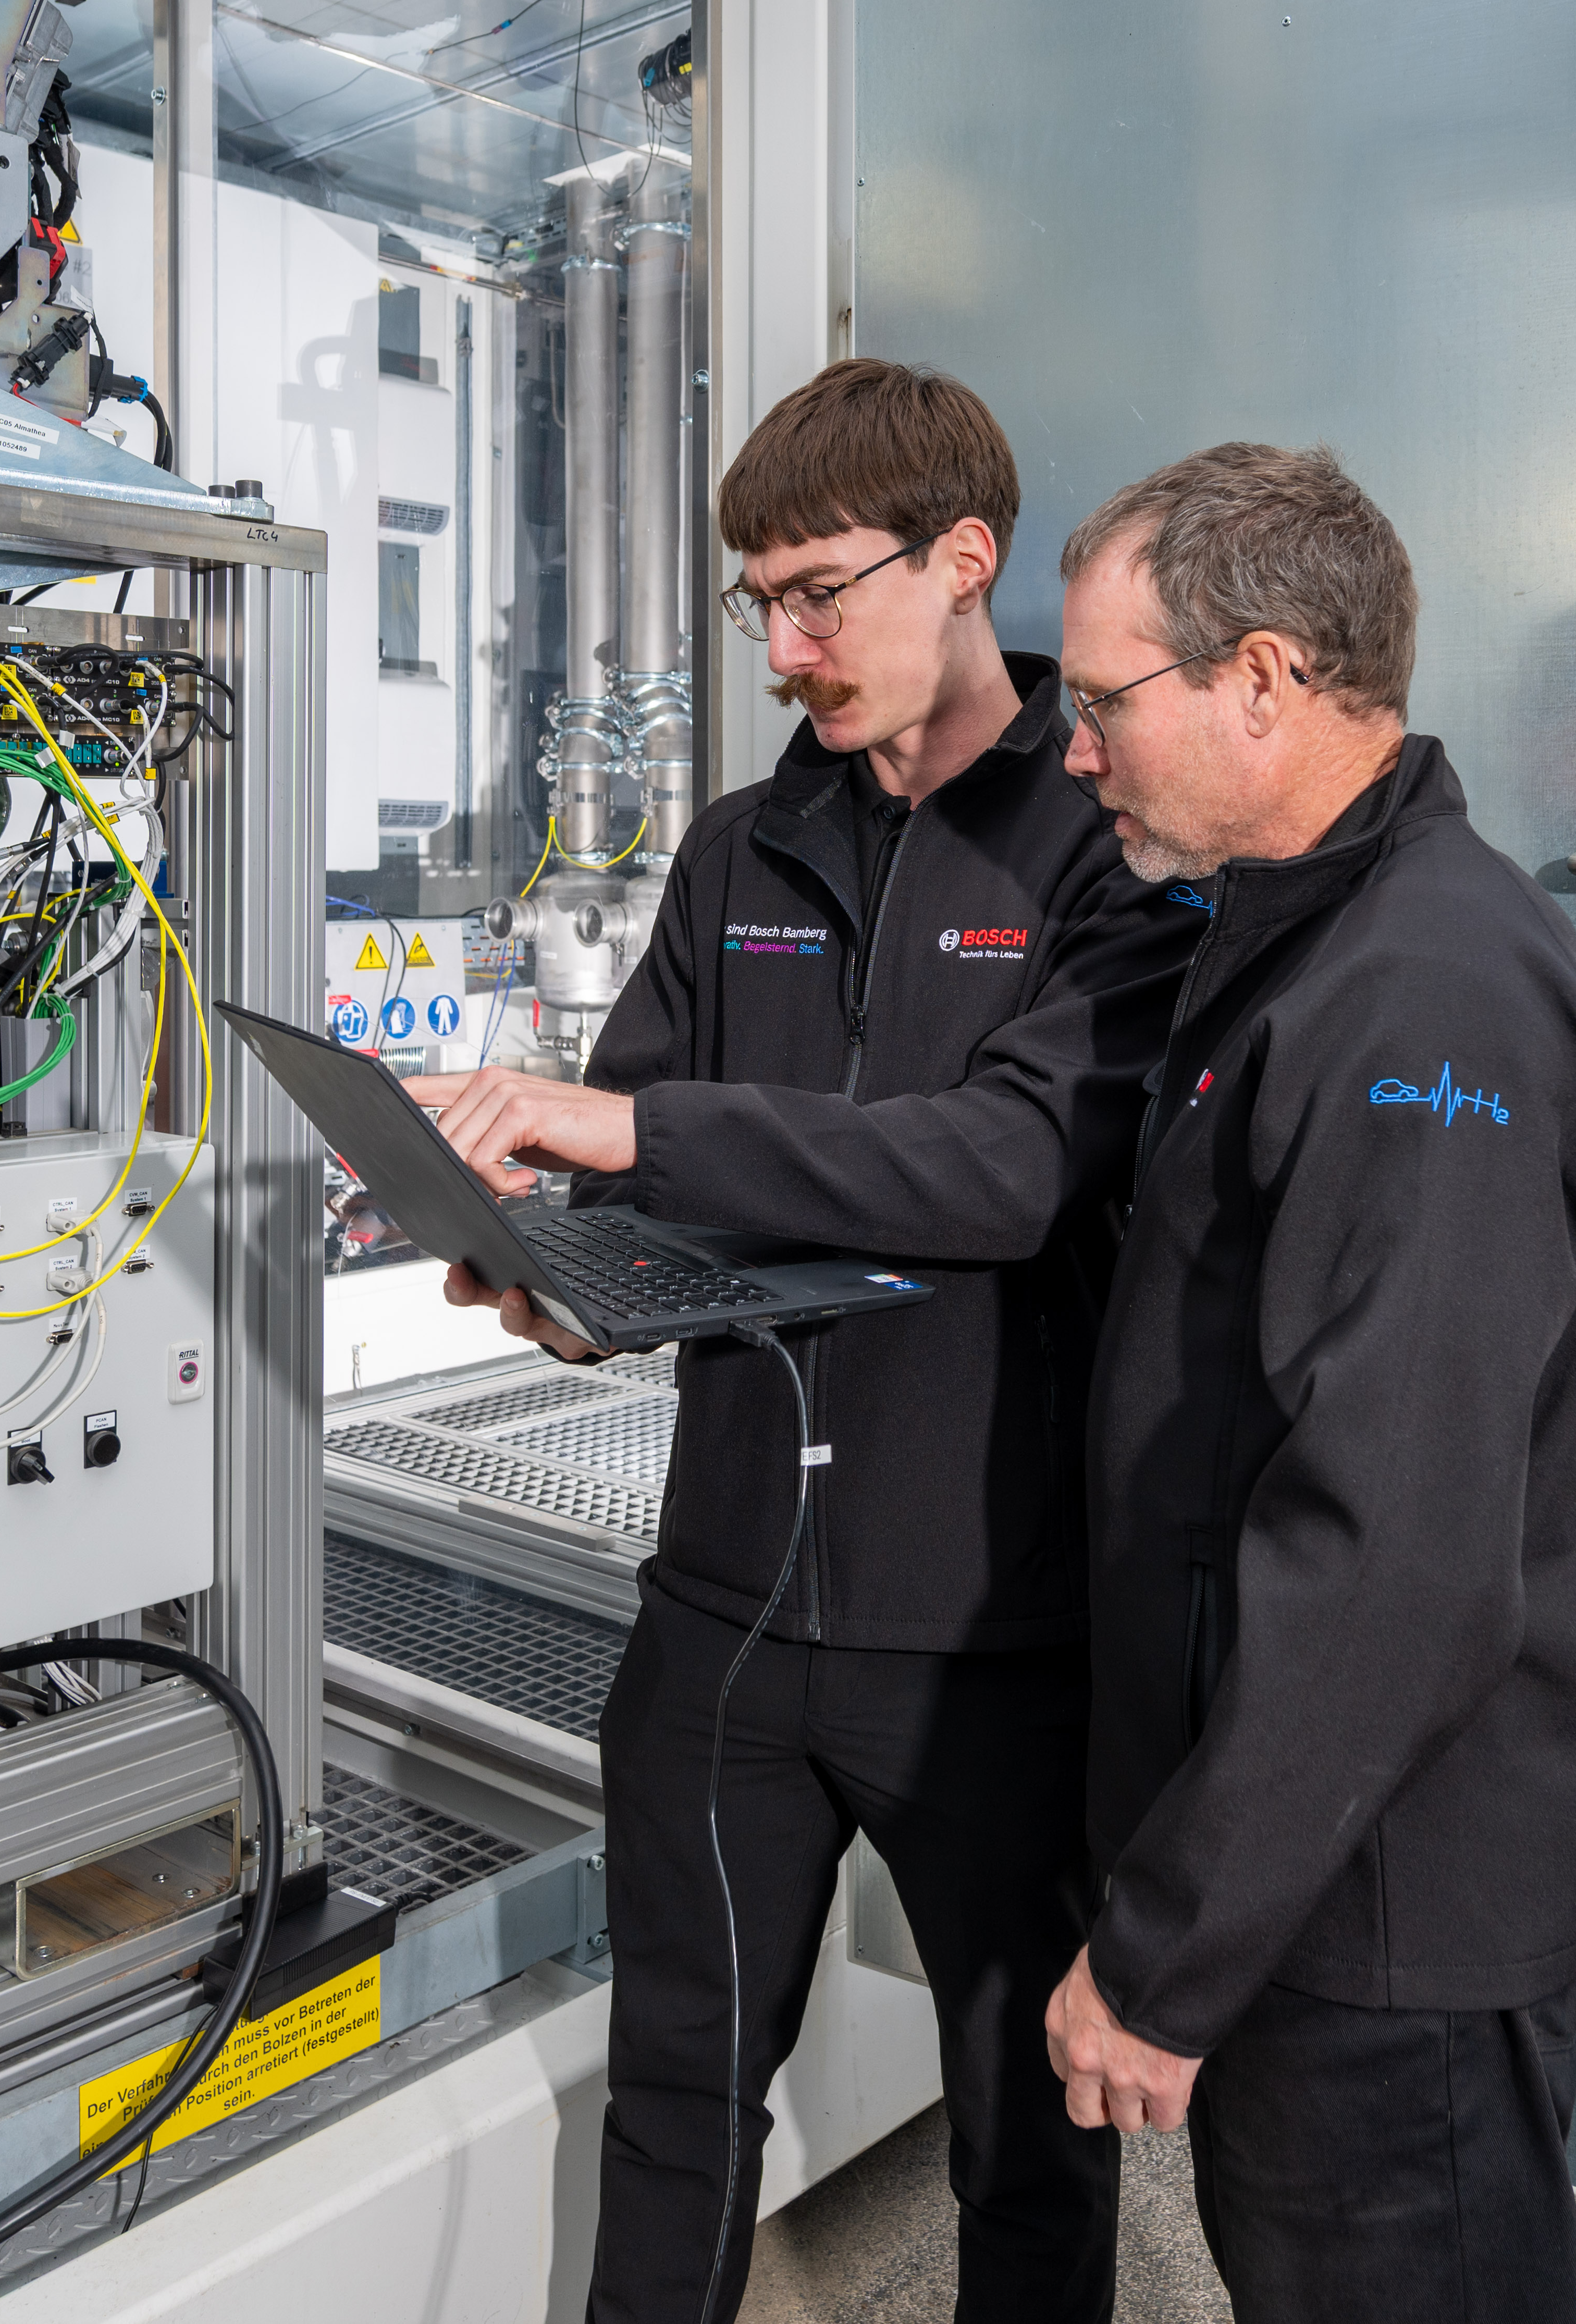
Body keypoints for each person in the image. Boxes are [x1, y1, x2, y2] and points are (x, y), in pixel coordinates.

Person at [411, 360, 1206, 2323]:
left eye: (818, 594)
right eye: (756, 603)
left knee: (1028, 2145)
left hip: (994, 1637)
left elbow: (1007, 1169)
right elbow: (642, 1161)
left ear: (963, 563)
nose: (783, 646)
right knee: (677, 2098)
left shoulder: (1113, 844)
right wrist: (556, 1262)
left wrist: (629, 1133)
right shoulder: (740, 852)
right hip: (727, 1613)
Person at [1037, 443, 1576, 2323]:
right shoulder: (1303, 938)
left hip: (1385, 1897)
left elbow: (1395, 1556)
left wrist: (1164, 1954)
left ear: (1263, 680)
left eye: (1099, 706)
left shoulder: (1420, 1001)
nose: (1077, 758)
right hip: (1323, 1867)